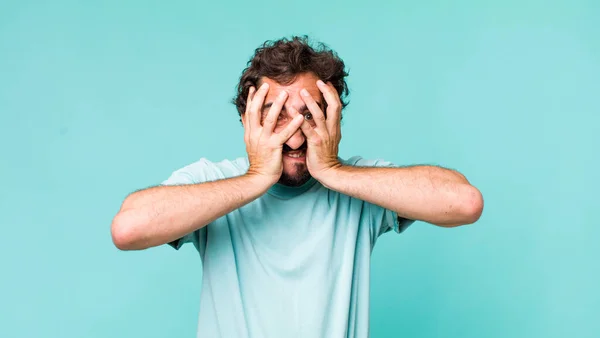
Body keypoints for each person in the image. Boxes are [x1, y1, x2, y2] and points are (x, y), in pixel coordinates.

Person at [110, 35, 484, 338]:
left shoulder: (361, 182)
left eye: (309, 115)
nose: (293, 139)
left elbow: (464, 202)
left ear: (334, 118)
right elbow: (128, 229)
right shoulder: (213, 181)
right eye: (276, 117)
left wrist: (335, 172)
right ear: (247, 119)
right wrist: (256, 177)